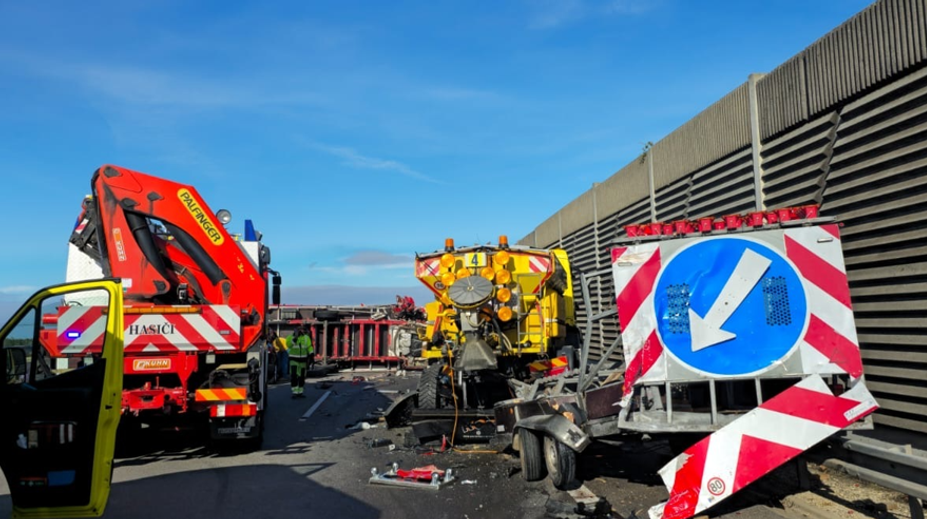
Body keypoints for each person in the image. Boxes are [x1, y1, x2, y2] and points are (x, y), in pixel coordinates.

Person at [287, 327, 313, 398]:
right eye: (297, 329)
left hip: (303, 360)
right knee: (294, 376)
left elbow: (309, 347)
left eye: (300, 329)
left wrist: (311, 355)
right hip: (293, 360)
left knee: (301, 377)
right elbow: (289, 345)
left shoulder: (306, 338)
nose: (299, 331)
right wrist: (295, 338)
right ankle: (294, 392)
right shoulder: (290, 337)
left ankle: (300, 392)